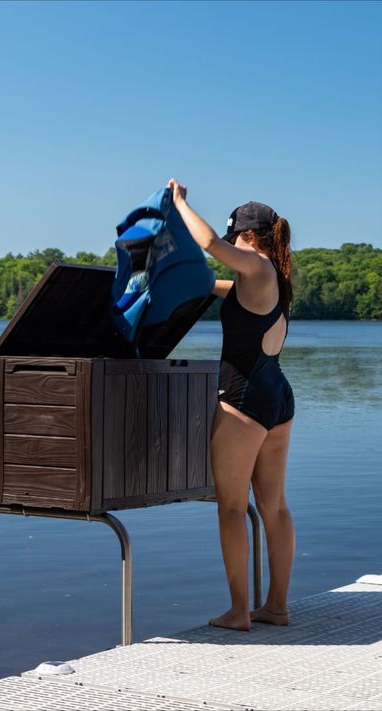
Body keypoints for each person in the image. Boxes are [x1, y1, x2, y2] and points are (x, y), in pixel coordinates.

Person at [167, 178, 295, 631]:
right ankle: (275, 607)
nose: (230, 243)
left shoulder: (256, 265)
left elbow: (206, 242)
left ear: (250, 237)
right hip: (277, 396)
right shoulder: (271, 277)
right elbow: (224, 283)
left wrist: (180, 202)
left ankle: (239, 610)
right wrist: (197, 284)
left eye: (235, 236)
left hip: (243, 400)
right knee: (274, 507)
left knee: (231, 508)